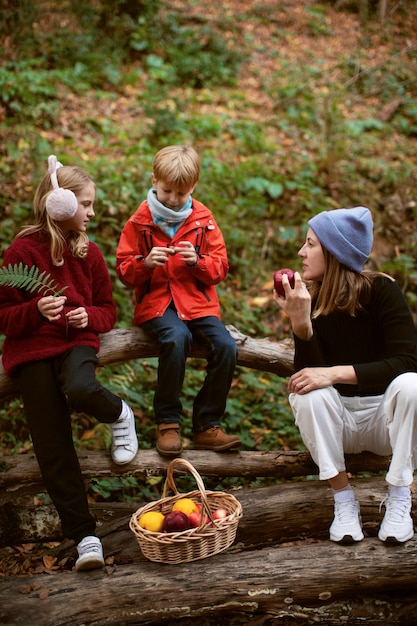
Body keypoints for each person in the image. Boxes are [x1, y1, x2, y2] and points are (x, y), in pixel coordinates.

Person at [0, 155, 138, 571]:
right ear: (59, 205)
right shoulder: (20, 252)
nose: (93, 213)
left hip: (75, 343)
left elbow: (107, 311)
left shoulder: (90, 253)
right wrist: (34, 312)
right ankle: (86, 536)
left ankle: (120, 413)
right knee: (51, 443)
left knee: (80, 388)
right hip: (31, 353)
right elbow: (4, 315)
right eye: (87, 204)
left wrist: (87, 318)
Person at [274, 206, 417, 544]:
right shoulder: (312, 298)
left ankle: (399, 496)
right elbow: (308, 375)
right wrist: (301, 324)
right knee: (307, 393)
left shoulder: (382, 291)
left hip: (386, 423)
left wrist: (335, 373)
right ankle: (343, 499)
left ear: (334, 252)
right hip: (340, 428)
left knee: (412, 385)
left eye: (310, 244)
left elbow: (408, 361)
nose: (301, 252)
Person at [116, 144, 240, 457]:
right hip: (157, 305)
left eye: (181, 194)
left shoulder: (203, 219)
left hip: (197, 305)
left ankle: (207, 425)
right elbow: (124, 271)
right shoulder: (139, 222)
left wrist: (196, 261)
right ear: (154, 180)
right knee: (176, 337)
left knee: (226, 346)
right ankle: (168, 422)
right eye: (168, 191)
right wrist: (145, 264)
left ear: (193, 187)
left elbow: (220, 268)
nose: (173, 199)